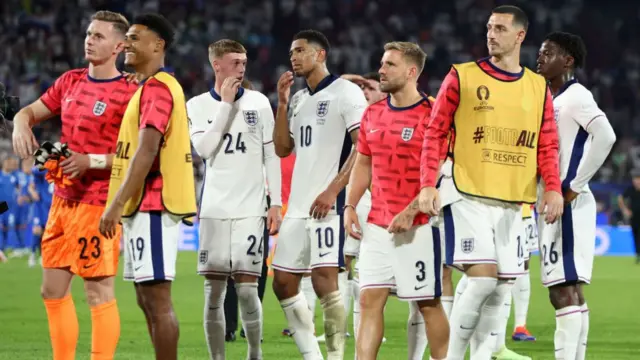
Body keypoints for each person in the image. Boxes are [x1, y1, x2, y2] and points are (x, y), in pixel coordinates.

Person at [419, 5, 565, 359]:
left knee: (501, 287)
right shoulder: (462, 76)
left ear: (520, 35)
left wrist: (554, 188)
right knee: (483, 277)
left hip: (514, 201)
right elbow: (435, 133)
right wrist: (427, 184)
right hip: (467, 192)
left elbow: (547, 142)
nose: (490, 34)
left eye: (500, 28)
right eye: (488, 27)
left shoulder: (537, 87)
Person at [11, 10, 134, 360]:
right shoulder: (70, 80)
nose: (89, 39)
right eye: (89, 33)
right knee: (51, 291)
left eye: (98, 35)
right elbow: (29, 111)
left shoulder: (129, 92)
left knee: (98, 293)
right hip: (61, 201)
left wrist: (90, 161)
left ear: (119, 46)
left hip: (99, 204)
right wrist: (22, 123)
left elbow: (139, 156)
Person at [99, 13, 196, 360]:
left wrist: (115, 204)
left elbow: (147, 150)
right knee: (145, 297)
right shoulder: (149, 87)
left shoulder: (157, 89)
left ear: (158, 45)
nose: (126, 43)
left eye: (135, 37)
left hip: (154, 203)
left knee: (157, 300)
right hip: (144, 206)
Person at [344, 41, 448, 360]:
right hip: (378, 224)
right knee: (368, 300)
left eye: (390, 64)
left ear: (412, 71)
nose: (382, 70)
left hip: (420, 225)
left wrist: (412, 210)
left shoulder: (433, 113)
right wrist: (350, 205)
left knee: (427, 304)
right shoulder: (373, 113)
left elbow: (443, 173)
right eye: (382, 63)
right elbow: (363, 162)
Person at [271, 29, 367, 360]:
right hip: (298, 206)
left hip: (330, 206)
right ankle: (312, 355)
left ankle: (337, 357)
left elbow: (362, 145)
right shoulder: (298, 99)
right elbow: (283, 148)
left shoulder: (347, 92)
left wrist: (333, 189)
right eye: (291, 53)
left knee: (325, 280)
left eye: (300, 51)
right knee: (282, 282)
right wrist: (282, 104)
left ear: (320, 54)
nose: (293, 57)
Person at [188, 39, 282, 360]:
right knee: (213, 294)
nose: (242, 68)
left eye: (244, 62)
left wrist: (276, 203)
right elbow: (204, 150)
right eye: (235, 62)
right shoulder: (198, 105)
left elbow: (271, 155)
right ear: (217, 65)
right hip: (214, 211)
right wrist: (226, 104)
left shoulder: (259, 102)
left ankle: (254, 353)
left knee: (246, 289)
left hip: (251, 210)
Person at [536, 31, 616, 360]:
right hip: (558, 202)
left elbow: (606, 136)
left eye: (548, 53)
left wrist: (574, 184)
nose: (539, 58)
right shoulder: (549, 98)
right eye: (540, 53)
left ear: (567, 61)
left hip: (565, 203)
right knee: (571, 290)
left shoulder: (576, 96)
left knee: (562, 291)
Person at [618, 169, 640, 264]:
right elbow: (620, 198)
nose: (637, 181)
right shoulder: (630, 189)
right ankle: (638, 255)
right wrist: (625, 210)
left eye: (638, 179)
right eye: (635, 179)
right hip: (634, 217)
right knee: (635, 236)